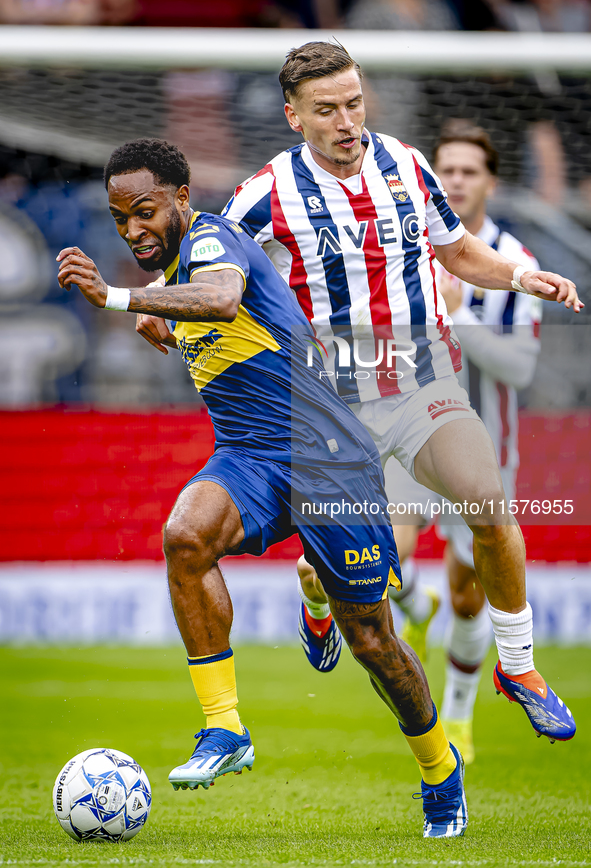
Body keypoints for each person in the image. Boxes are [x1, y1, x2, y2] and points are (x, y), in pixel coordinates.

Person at [136, 43, 580, 749]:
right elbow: (207, 252)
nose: (346, 120)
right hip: (331, 408)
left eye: (353, 102)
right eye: (326, 110)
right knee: (337, 571)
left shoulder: (406, 163)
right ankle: (314, 592)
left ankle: (519, 668)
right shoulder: (266, 193)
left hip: (421, 381)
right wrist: (154, 300)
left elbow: (456, 249)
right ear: (292, 116)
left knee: (487, 503)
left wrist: (525, 279)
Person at [57, 138, 469, 839]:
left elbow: (220, 300)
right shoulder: (181, 270)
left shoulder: (217, 238)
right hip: (250, 457)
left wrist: (122, 297)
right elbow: (215, 323)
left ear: (183, 199)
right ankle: (224, 728)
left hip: (328, 459)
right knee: (185, 537)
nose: (132, 230)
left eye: (146, 211)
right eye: (120, 217)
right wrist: (162, 321)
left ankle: (438, 769)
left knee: (371, 639)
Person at [384, 121, 544, 763]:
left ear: (489, 182)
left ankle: (457, 713)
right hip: (405, 433)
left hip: (482, 446)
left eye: (468, 172)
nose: (454, 180)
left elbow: (522, 368)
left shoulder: (515, 263)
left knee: (468, 594)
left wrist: (459, 317)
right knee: (383, 558)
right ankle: (411, 601)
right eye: (445, 169)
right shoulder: (401, 248)